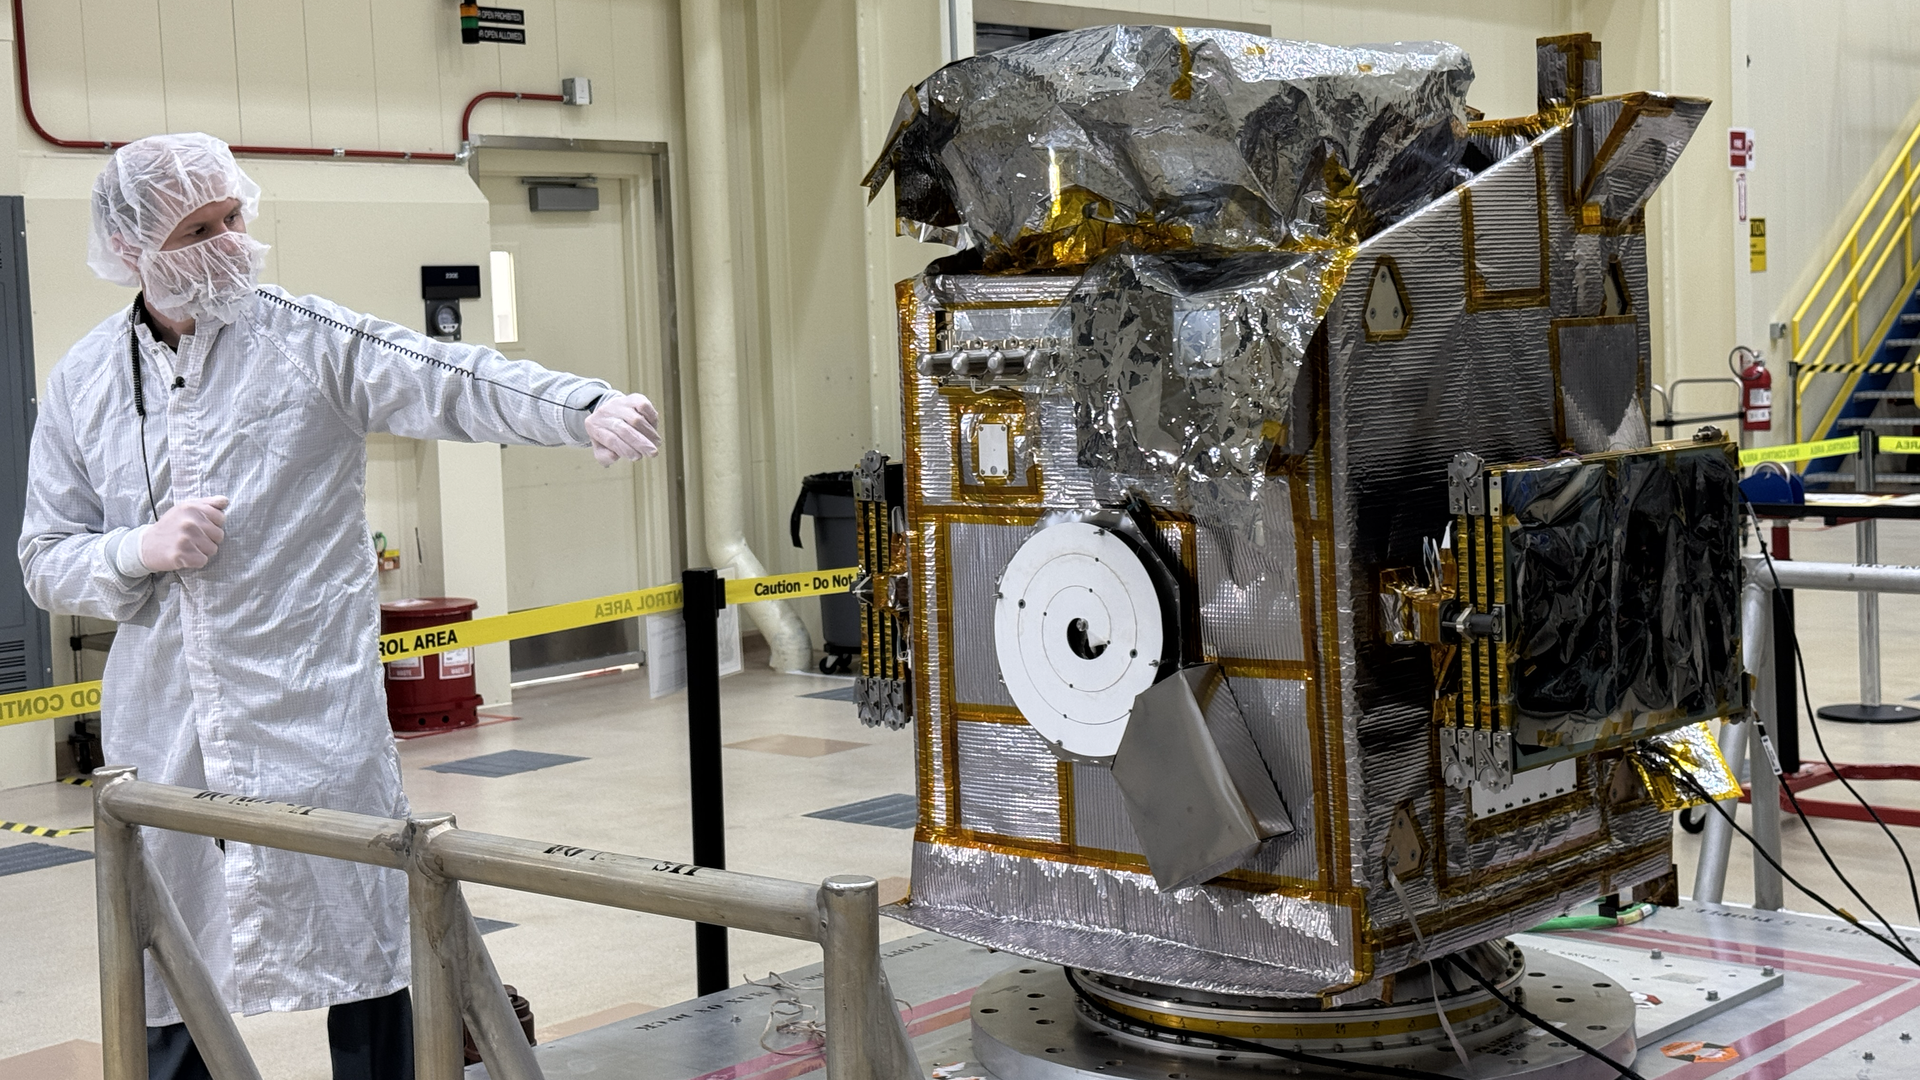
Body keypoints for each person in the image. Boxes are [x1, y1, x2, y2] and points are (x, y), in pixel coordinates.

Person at [16, 133, 663, 1080]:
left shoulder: (302, 336)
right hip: (168, 729)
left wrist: (582, 407)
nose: (230, 243)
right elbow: (44, 556)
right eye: (199, 229)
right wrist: (136, 549)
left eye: (235, 218)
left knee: (371, 943)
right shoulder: (85, 382)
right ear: (132, 250)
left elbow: (453, 378)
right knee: (170, 952)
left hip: (314, 714)